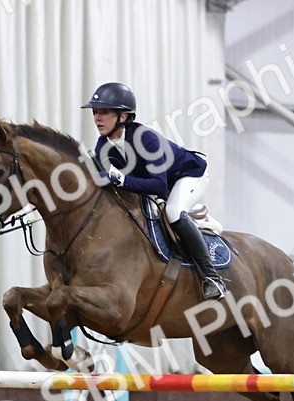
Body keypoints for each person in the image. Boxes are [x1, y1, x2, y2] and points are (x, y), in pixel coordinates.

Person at [82, 82, 225, 300]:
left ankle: (212, 277)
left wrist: (120, 179)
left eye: (104, 112)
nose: (97, 118)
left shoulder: (145, 139)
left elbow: (158, 185)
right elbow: (106, 183)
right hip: (162, 183)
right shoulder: (103, 145)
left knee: (174, 212)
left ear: (123, 116)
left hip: (189, 175)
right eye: (95, 112)